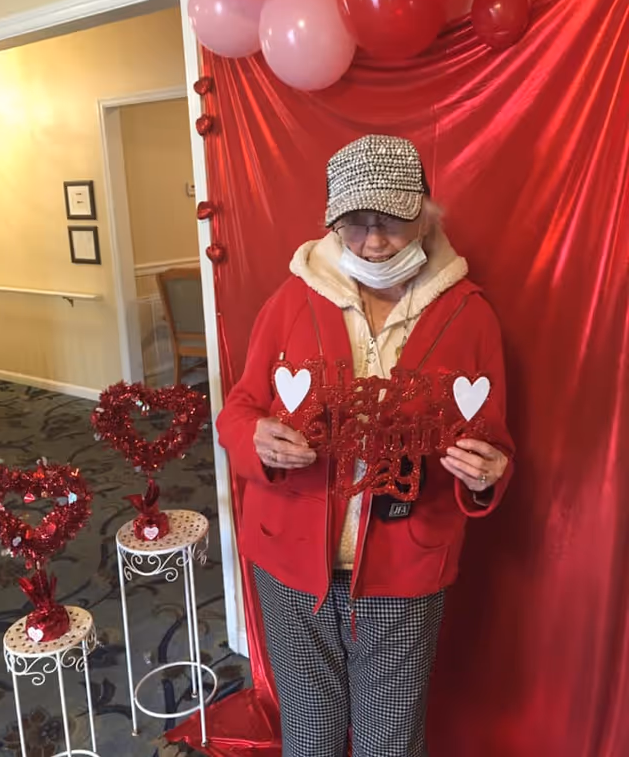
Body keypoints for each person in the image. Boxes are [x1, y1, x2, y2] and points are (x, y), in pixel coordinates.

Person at [217, 135, 514, 757]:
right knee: (309, 732)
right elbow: (238, 410)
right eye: (355, 223)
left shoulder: (470, 315)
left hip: (406, 561)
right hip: (291, 556)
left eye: (391, 221)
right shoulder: (291, 300)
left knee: (391, 739)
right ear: (332, 222)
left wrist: (485, 475)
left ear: (425, 215)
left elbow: (492, 442)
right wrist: (255, 438)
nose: (374, 241)